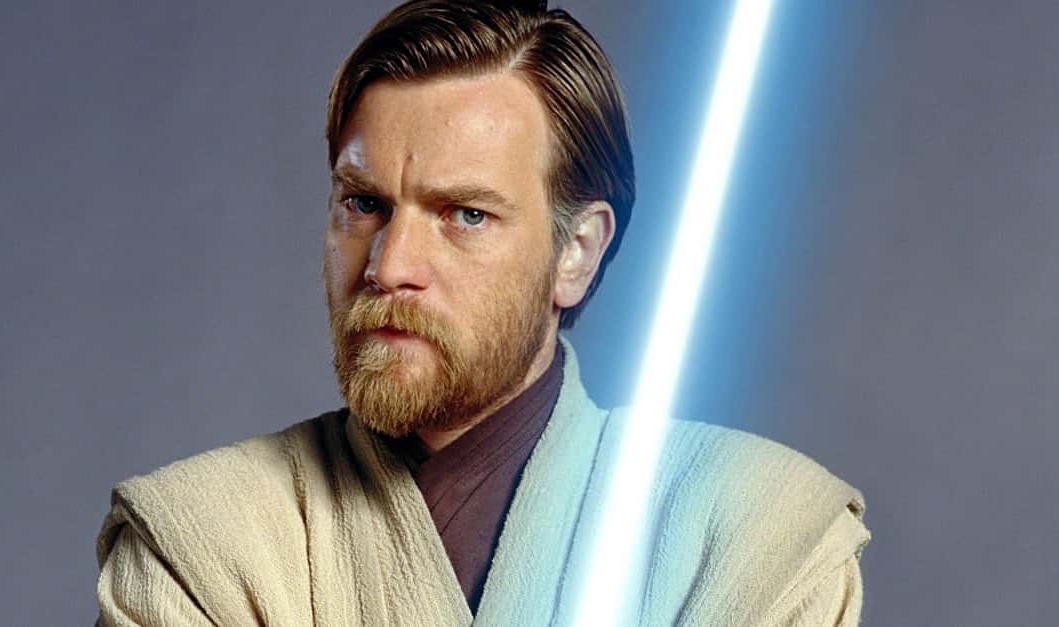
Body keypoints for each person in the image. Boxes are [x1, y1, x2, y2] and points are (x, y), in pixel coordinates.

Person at [94, 1, 870, 625]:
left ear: (577, 252)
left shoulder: (762, 531)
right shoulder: (196, 538)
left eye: (464, 214)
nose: (388, 266)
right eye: (363, 204)